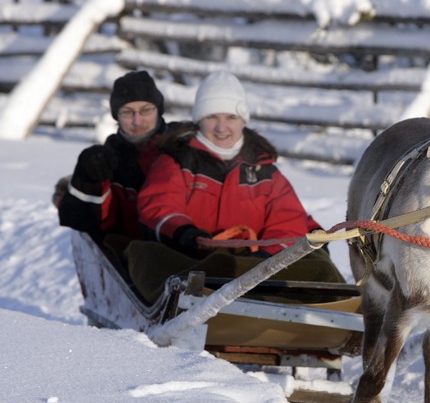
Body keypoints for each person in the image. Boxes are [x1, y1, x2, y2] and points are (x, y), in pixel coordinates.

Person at [126, 71, 344, 304]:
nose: (221, 128)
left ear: (243, 121)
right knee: (145, 254)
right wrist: (184, 232)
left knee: (317, 262)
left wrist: (264, 258)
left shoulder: (264, 170)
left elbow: (287, 221)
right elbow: (159, 205)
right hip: (194, 258)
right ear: (199, 119)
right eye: (212, 117)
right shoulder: (178, 160)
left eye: (231, 117)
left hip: (257, 263)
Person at [56, 71, 168, 243]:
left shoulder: (180, 147)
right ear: (117, 116)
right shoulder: (108, 160)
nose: (137, 121)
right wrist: (86, 179)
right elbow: (80, 221)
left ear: (158, 110)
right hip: (131, 257)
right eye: (127, 112)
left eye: (145, 110)